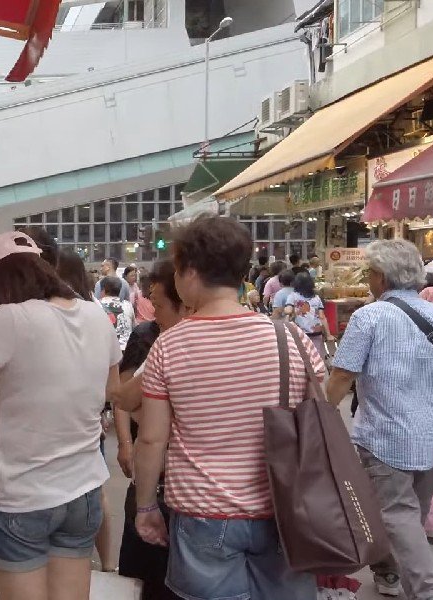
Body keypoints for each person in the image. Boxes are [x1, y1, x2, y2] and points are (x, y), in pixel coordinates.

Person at [0, 231, 122, 600]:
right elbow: (109, 390)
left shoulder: (9, 320)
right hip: (83, 490)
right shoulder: (95, 315)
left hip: (21, 497)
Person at [133, 216, 321, 600]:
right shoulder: (293, 340)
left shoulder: (169, 347)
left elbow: (152, 440)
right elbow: (319, 417)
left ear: (188, 271)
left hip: (203, 515)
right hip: (286, 512)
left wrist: (146, 504)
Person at [326, 239, 433, 600]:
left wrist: (319, 415)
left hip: (387, 436)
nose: (369, 279)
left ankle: (429, 592)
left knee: (398, 514)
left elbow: (341, 377)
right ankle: (388, 573)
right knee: (406, 517)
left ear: (382, 278)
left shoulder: (368, 317)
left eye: (370, 273)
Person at [113, 260, 187, 600]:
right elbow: (124, 398)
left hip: (173, 488)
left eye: (158, 305)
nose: (153, 313)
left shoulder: (171, 346)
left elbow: (135, 408)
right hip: (225, 499)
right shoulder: (273, 335)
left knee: (159, 580)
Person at [281, 271, 334, 359]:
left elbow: (288, 310)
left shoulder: (293, 296)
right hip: (316, 332)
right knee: (316, 356)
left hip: (300, 333)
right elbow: (322, 317)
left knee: (302, 356)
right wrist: (328, 334)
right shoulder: (316, 298)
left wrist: (286, 310)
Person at [99, 276, 134, 350]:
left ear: (103, 290)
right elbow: (133, 326)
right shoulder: (128, 305)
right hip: (126, 350)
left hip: (106, 351)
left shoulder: (97, 306)